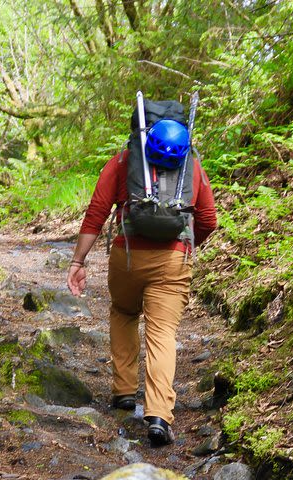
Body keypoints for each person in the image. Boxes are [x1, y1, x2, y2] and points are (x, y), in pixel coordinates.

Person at [66, 105, 217, 447]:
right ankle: (159, 416)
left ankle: (123, 392)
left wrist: (78, 261)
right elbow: (208, 220)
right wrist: (187, 248)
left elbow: (96, 213)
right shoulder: (191, 168)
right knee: (162, 333)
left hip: (127, 256)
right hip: (174, 261)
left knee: (123, 312)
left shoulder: (123, 163)